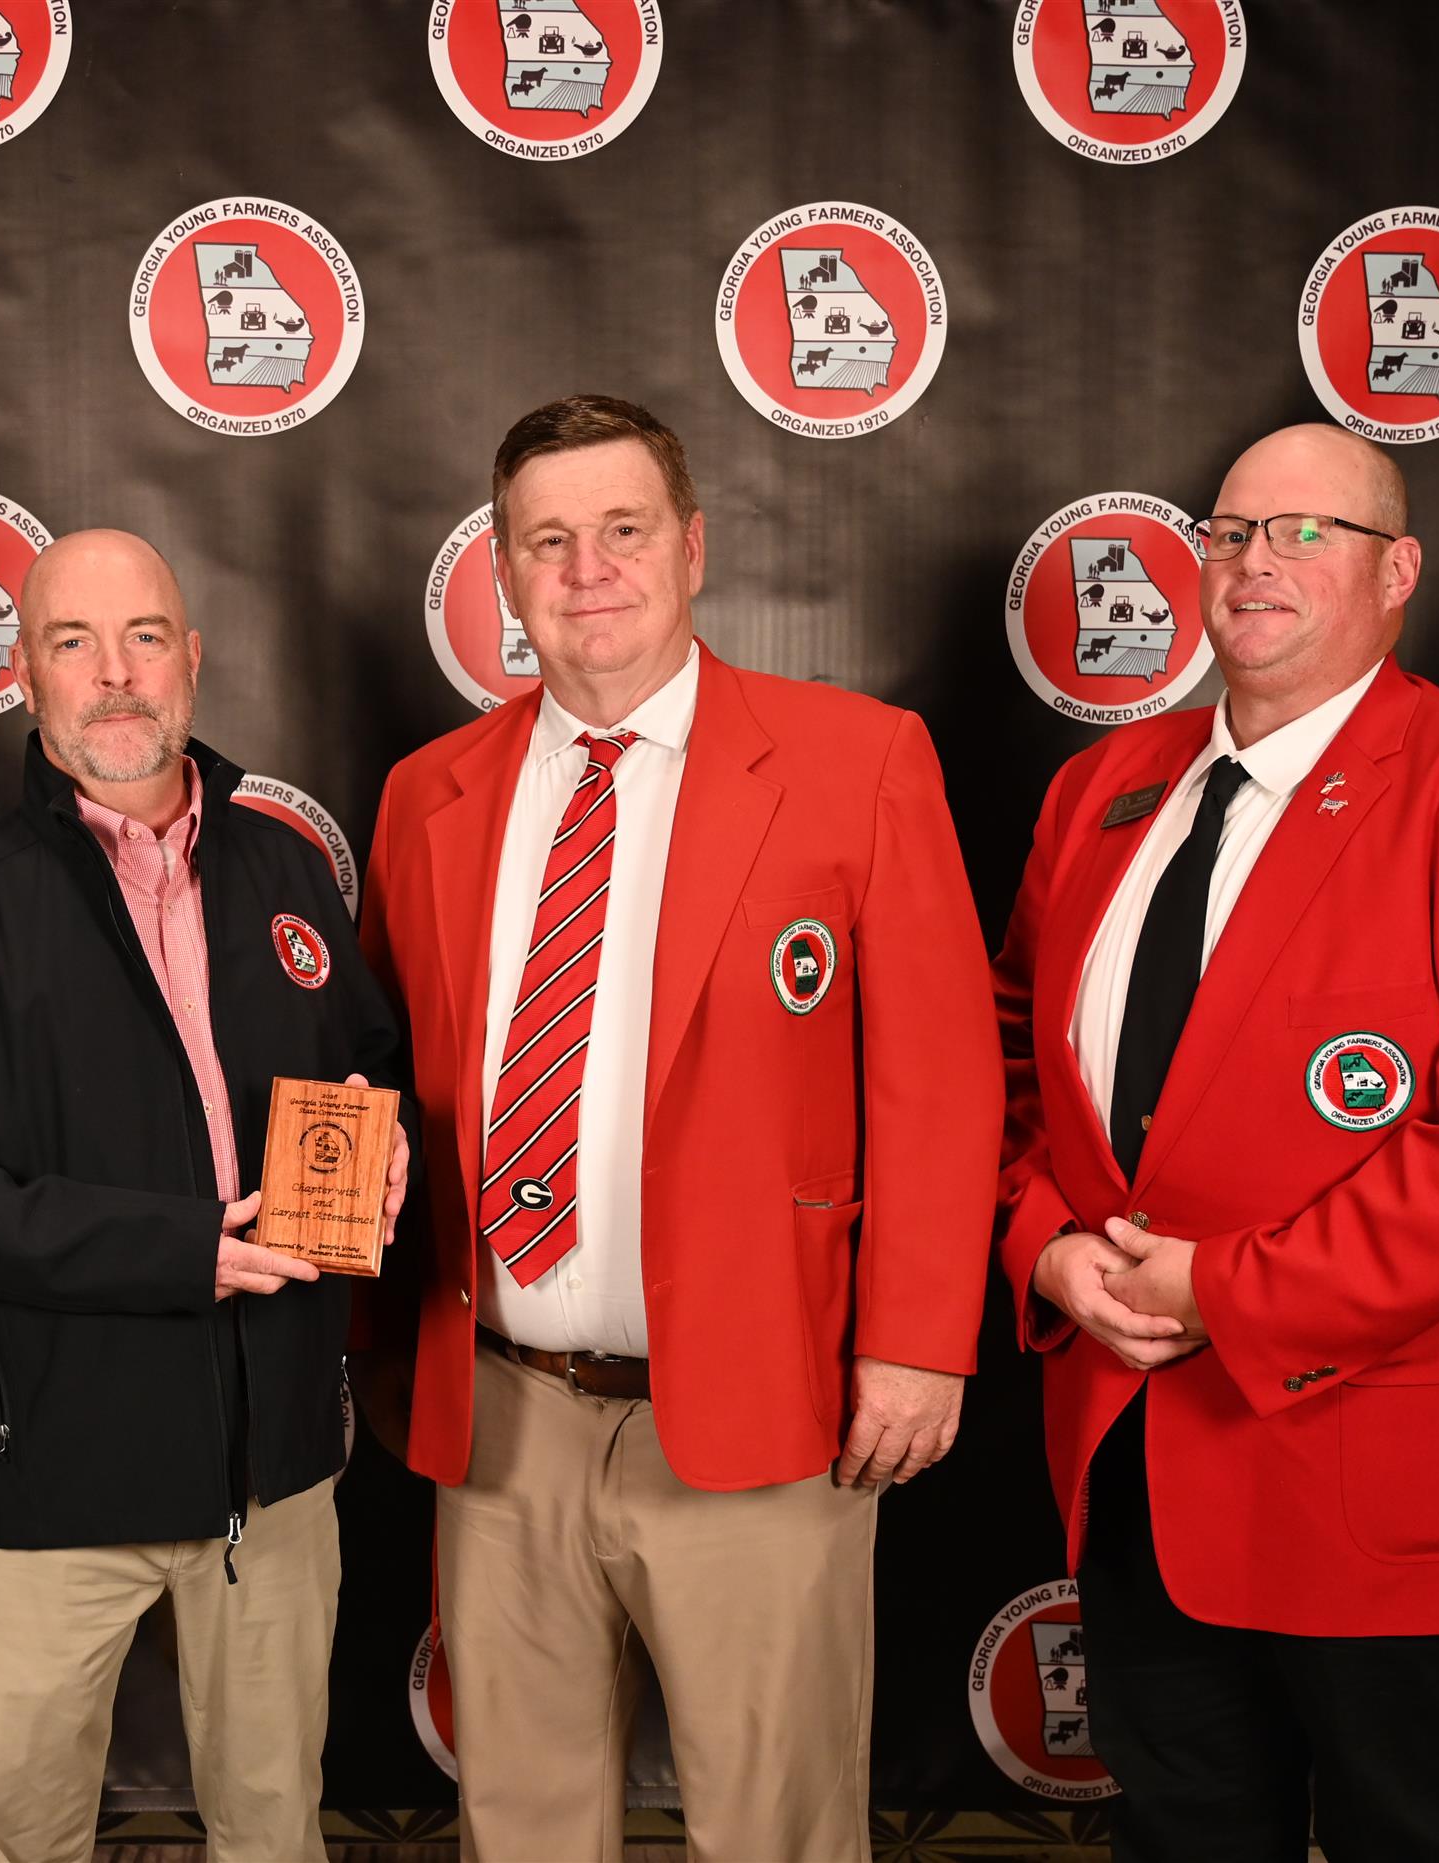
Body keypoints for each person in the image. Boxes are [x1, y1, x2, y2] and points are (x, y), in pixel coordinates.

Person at [993, 423, 1439, 1863]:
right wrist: (1043, 1246)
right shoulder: (1099, 792)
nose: (1257, 561)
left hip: (1394, 1472)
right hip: (1140, 1456)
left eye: (1309, 532)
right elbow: (1007, 1070)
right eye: (1232, 531)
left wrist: (1224, 1289)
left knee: (1416, 1839)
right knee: (1183, 1835)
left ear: (1399, 571)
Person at [358, 395, 1003, 1861]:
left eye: (624, 530)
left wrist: (918, 1340)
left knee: (775, 1827)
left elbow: (941, 1077)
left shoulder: (856, 760)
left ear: (694, 548)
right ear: (503, 573)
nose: (588, 570)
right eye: (548, 541)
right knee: (522, 1825)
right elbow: (382, 1082)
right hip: (505, 1416)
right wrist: (373, 1337)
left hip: (763, 1406)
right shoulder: (426, 795)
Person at [0, 529, 412, 1863]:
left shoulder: (286, 871)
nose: (115, 673)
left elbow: (374, 1073)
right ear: (28, 677)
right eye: (74, 644)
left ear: (191, 661)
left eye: (144, 637)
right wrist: (173, 1248)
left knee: (275, 1831)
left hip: (272, 1480)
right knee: (25, 1836)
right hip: (49, 1479)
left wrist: (394, 1153)